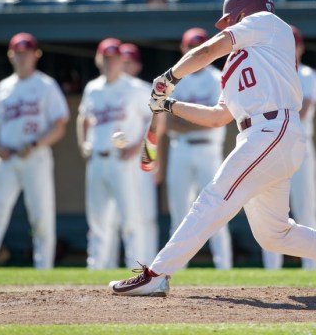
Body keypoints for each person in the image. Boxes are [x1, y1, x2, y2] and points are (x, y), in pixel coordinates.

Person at [108, 0, 316, 296]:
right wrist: (169, 105)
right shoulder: (236, 66)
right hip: (262, 137)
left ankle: (157, 273)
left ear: (242, 13)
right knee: (274, 234)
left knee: (214, 197)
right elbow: (217, 116)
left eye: (230, 20)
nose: (227, 26)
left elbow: (208, 50)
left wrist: (170, 77)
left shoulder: (266, 21)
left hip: (273, 129)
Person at [0, 33, 69, 269]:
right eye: (18, 53)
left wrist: (36, 144)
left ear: (35, 55)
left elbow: (60, 126)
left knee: (41, 218)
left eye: (26, 53)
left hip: (35, 156)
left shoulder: (45, 85)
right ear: (11, 55)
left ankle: (43, 269)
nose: (22, 58)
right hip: (6, 159)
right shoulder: (5, 87)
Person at [155, 27, 233, 271]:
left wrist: (186, 120)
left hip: (209, 151)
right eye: (190, 47)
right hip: (181, 149)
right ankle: (175, 270)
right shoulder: (175, 80)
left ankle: (225, 269)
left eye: (198, 46)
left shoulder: (217, 77)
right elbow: (167, 124)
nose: (193, 50)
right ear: (183, 49)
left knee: (217, 212)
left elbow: (213, 121)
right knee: (179, 214)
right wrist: (197, 119)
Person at [77, 38, 156, 269]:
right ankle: (96, 269)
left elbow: (156, 118)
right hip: (98, 159)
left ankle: (137, 269)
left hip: (124, 161)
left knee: (131, 220)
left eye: (115, 59)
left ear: (122, 60)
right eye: (107, 58)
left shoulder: (135, 87)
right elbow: (83, 117)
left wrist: (137, 146)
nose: (111, 63)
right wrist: (83, 143)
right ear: (98, 60)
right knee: (98, 221)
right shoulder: (93, 88)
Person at [261, 25, 316, 270]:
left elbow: (301, 110)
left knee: (307, 210)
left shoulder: (308, 74)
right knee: (270, 213)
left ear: (301, 47)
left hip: (301, 147)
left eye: (294, 43)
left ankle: (313, 269)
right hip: (273, 148)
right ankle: (271, 271)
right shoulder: (269, 73)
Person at [119, 42, 160, 267]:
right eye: (121, 61)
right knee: (127, 216)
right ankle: (132, 262)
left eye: (129, 62)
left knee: (146, 214)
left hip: (143, 157)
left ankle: (150, 263)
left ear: (137, 65)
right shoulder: (111, 89)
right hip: (118, 162)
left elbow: (155, 127)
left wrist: (156, 161)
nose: (125, 66)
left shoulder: (143, 89)